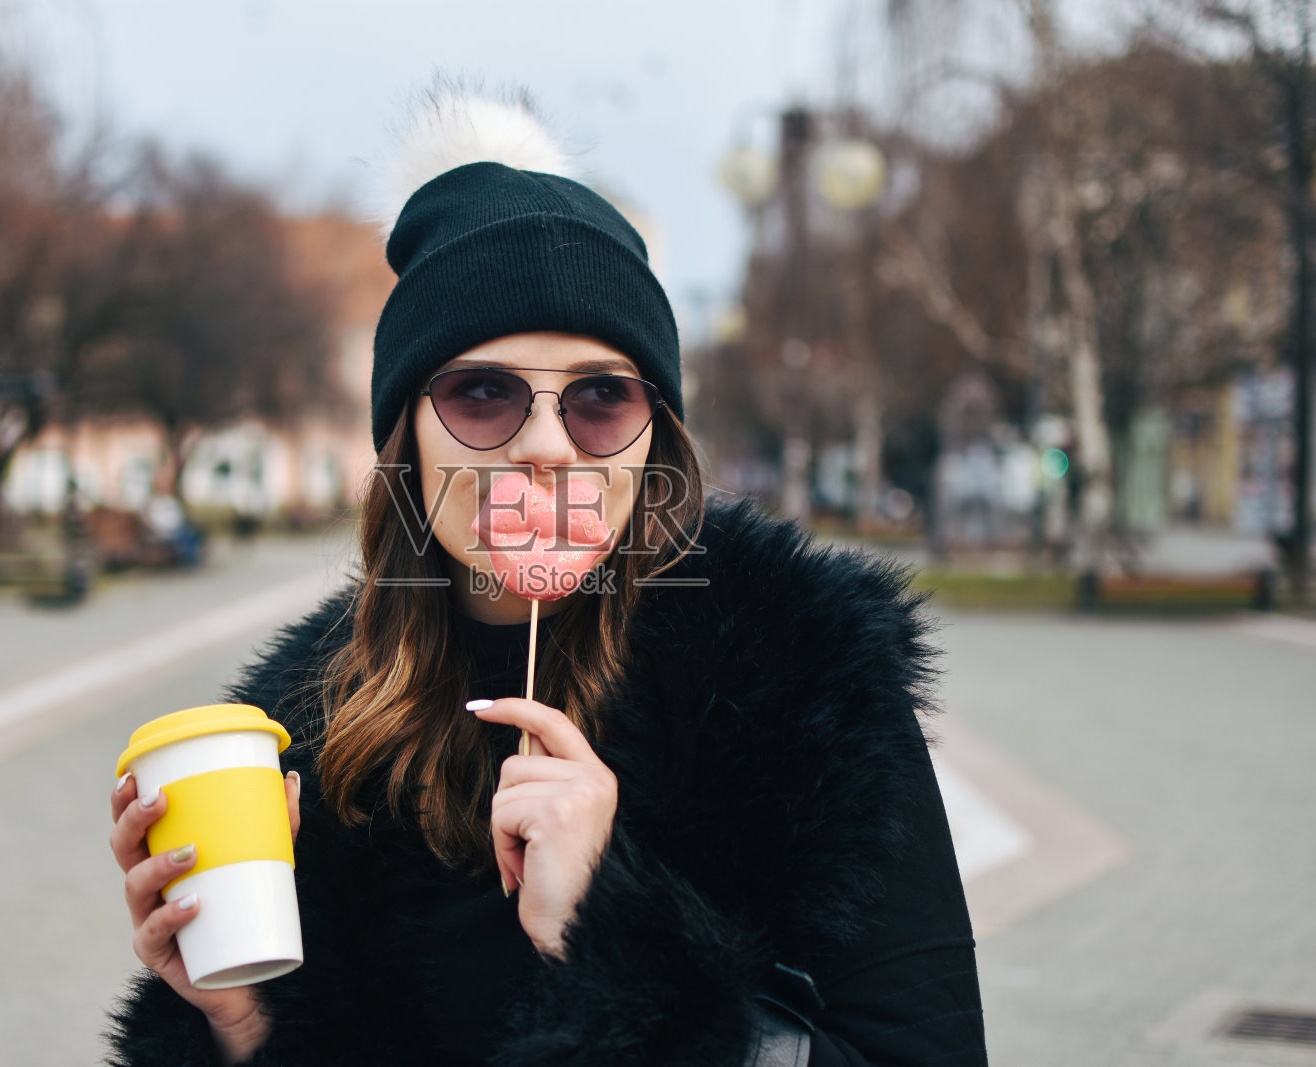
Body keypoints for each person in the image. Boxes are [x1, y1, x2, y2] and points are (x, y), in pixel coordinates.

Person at [105, 92, 987, 1067]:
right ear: (407, 440)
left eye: (601, 396)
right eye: (482, 393)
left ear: (653, 440)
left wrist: (610, 927)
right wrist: (241, 1027)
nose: (547, 447)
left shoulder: (805, 683)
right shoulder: (305, 736)